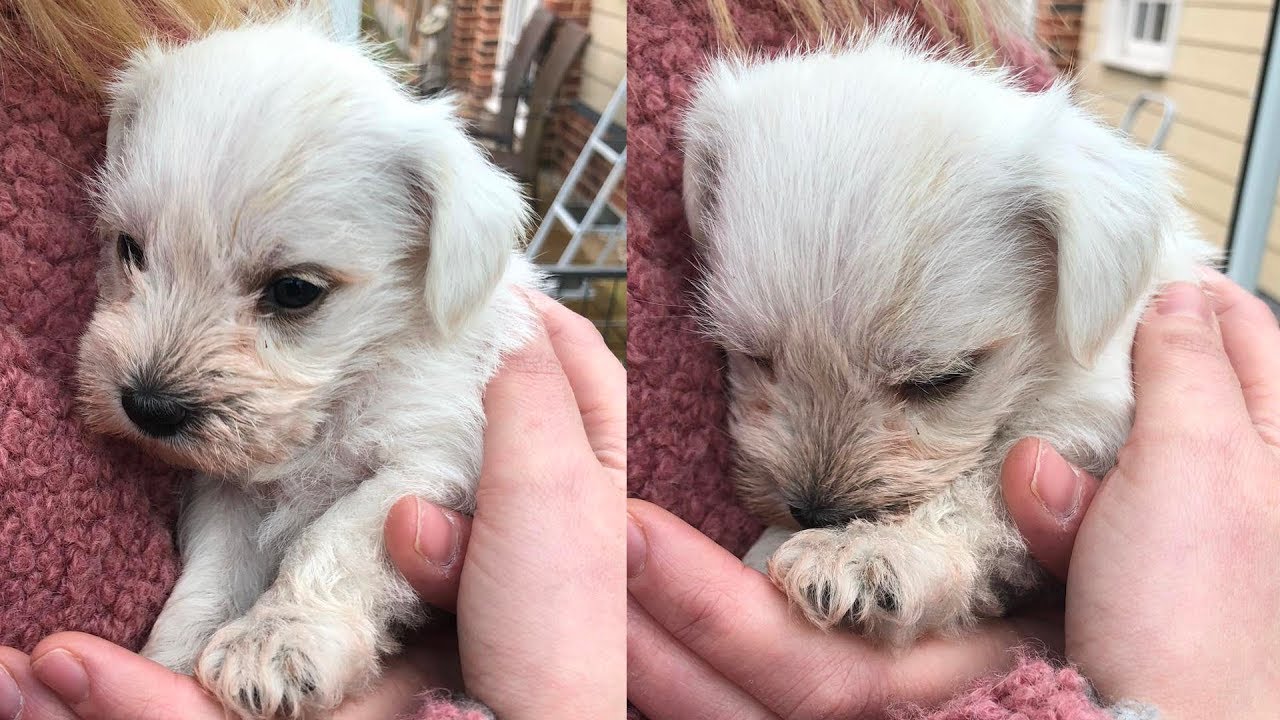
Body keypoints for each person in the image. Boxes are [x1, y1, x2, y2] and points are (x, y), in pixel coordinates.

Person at [627, 0, 1280, 716]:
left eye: (932, 381)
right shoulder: (728, 127)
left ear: (1081, 257)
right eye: (755, 356)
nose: (819, 493)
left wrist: (942, 543)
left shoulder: (1110, 268)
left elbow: (1103, 430)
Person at [0, 2, 624, 718]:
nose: (154, 378)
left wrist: (314, 605)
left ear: (437, 241)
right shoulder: (149, 94)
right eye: (135, 254)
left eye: (291, 294)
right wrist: (181, 651)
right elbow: (234, 490)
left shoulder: (464, 346)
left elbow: (432, 472)